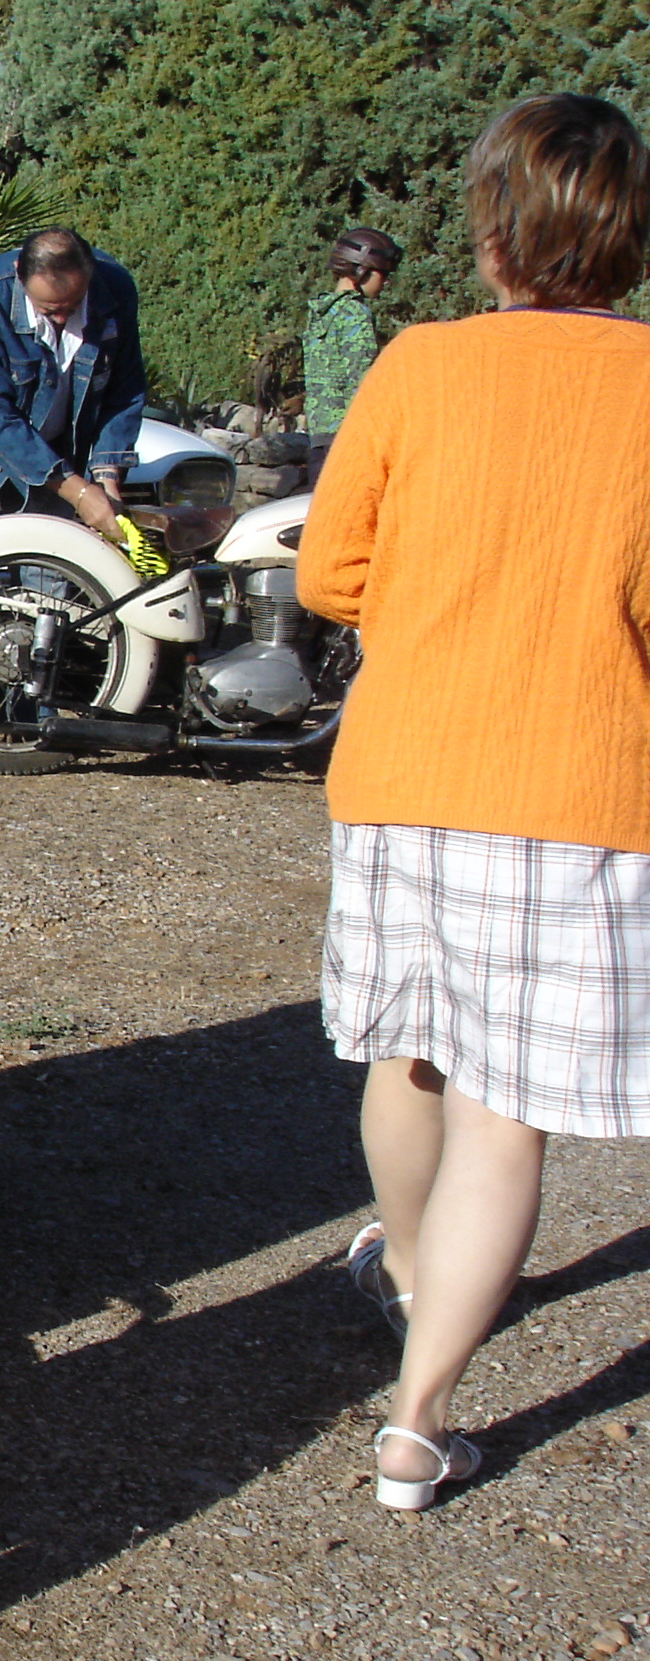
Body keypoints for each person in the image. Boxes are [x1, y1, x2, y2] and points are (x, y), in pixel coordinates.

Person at [297, 93, 650, 1510]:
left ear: (492, 228)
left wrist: (440, 611)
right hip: (581, 781)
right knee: (507, 1115)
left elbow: (329, 572)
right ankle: (416, 1422)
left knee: (409, 1057)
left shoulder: (418, 364)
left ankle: (405, 1263)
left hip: (406, 766)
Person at [0, 228, 148, 544]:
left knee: (51, 565)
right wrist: (78, 491)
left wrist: (106, 479)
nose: (61, 319)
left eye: (72, 306)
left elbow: (124, 391)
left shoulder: (114, 289)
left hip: (57, 452)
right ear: (20, 274)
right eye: (49, 309)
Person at [301, 226, 400, 487]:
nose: (385, 282)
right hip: (348, 439)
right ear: (362, 270)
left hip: (319, 438)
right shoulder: (355, 314)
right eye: (383, 274)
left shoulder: (320, 313)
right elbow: (363, 381)